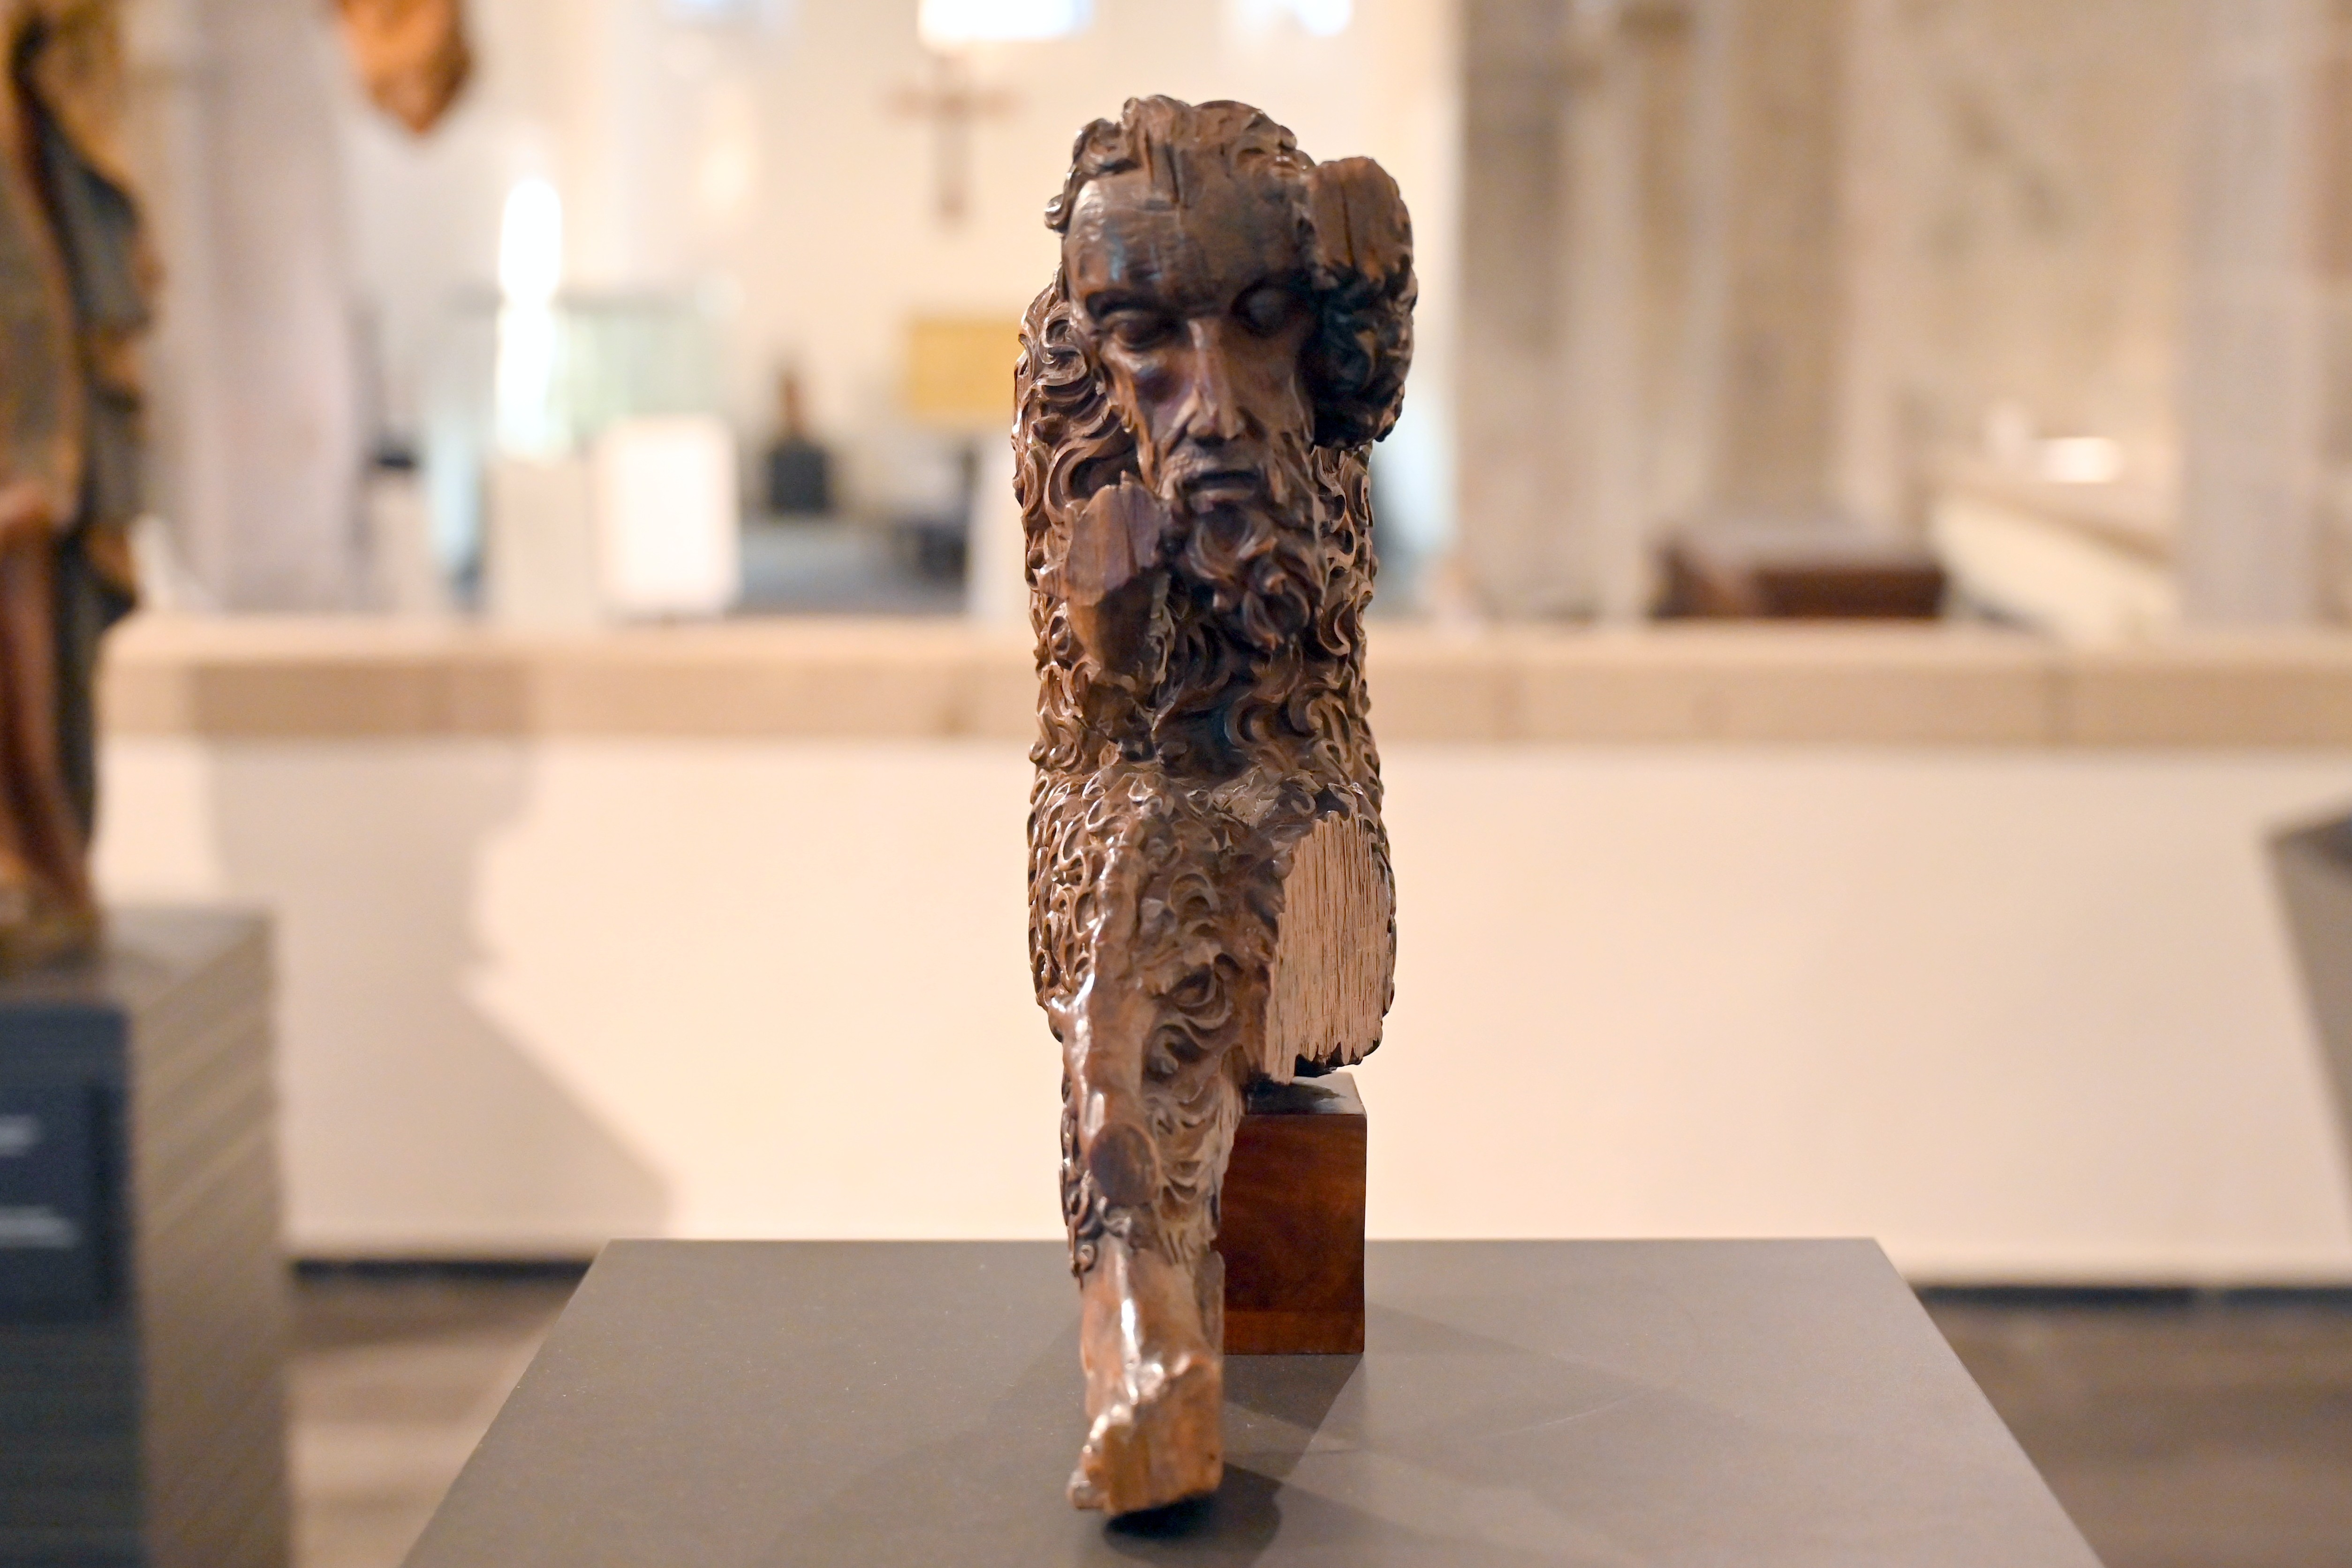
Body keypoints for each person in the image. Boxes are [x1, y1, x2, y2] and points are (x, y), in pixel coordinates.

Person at [1019, 96, 1415, 1515]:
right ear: (1091, 347)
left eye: (1258, 320)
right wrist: (1108, 624)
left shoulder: (1322, 429)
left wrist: (1371, 244)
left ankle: (1144, 1332)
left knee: (1178, 903)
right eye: (1151, 338)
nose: (1218, 398)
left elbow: (1370, 375)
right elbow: (1092, 727)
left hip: (1308, 828)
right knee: (1132, 911)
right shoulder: (1083, 452)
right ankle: (1143, 1328)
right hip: (1131, 824)